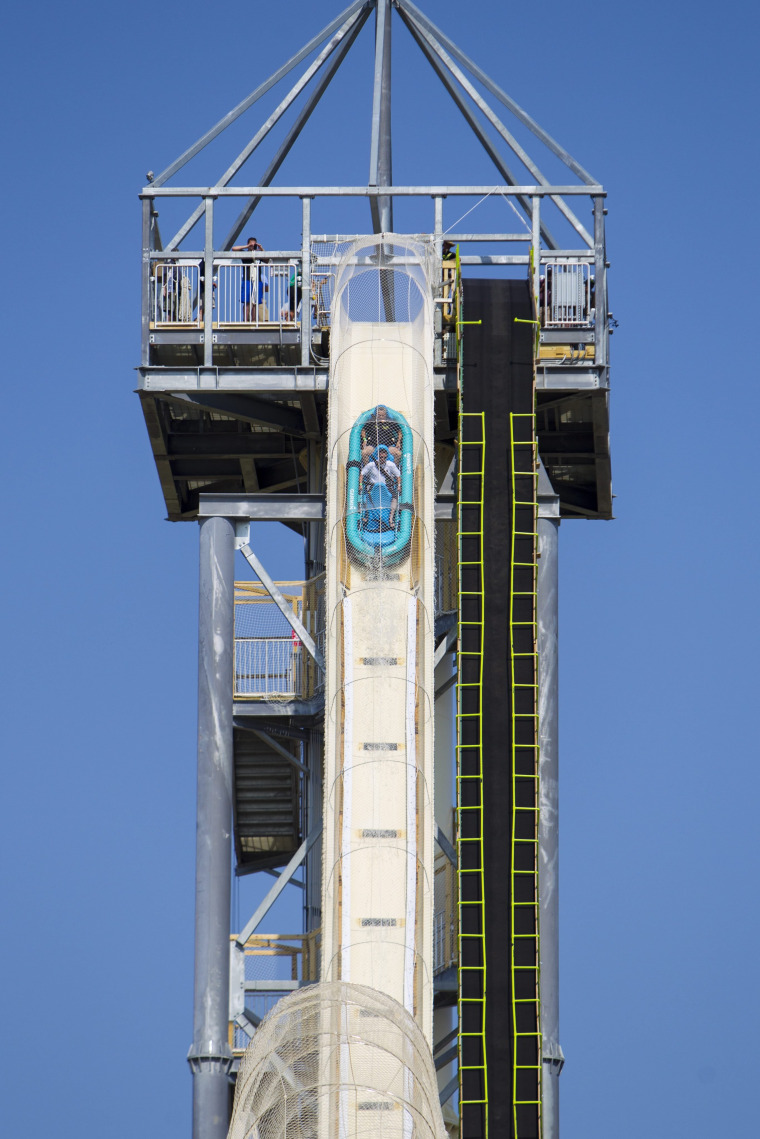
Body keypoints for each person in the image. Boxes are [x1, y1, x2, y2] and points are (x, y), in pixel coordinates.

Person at [231, 236, 268, 323]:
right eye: (251, 244)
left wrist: (261, 248)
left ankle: (254, 320)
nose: (252, 246)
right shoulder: (244, 253)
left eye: (254, 244)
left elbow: (267, 259)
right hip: (247, 280)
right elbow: (234, 249)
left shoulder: (258, 255)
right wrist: (247, 246)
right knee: (247, 301)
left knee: (255, 302)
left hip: (257, 280)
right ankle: (246, 320)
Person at [361, 446, 401, 526]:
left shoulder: (390, 465)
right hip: (373, 487)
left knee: (395, 498)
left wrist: (399, 485)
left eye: (384, 457)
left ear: (387, 457)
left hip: (386, 487)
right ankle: (367, 516)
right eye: (381, 457)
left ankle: (390, 518)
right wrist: (360, 484)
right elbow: (362, 474)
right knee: (366, 497)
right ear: (378, 457)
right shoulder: (371, 465)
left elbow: (398, 476)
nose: (382, 459)